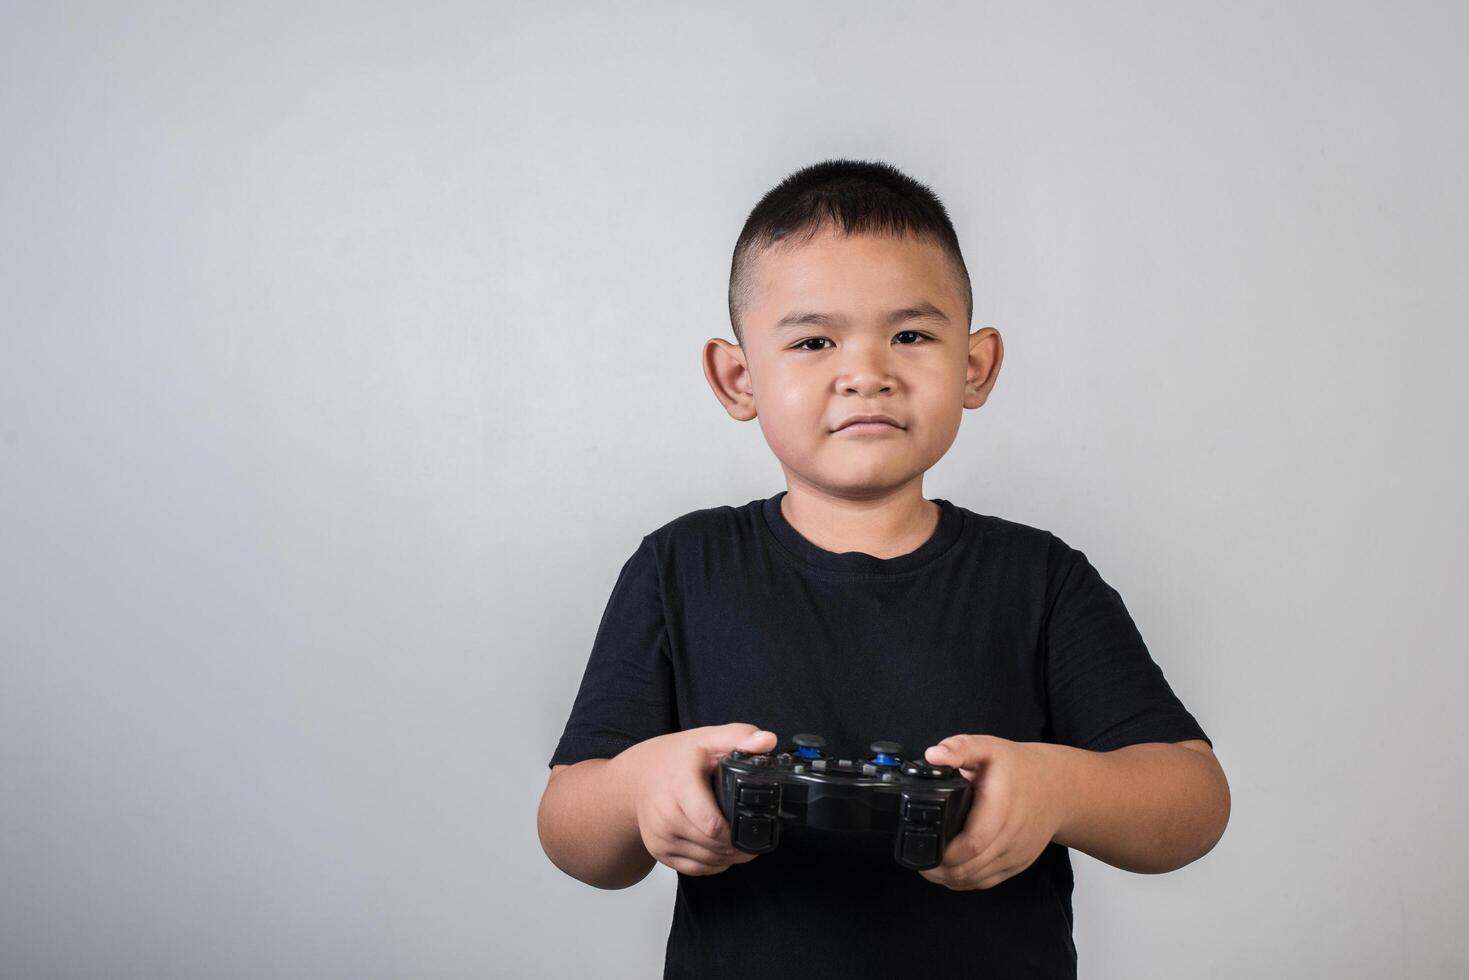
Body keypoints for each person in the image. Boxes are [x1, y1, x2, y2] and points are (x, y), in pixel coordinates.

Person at [536, 158, 1230, 979]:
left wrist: (1056, 788)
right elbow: (571, 831)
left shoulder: (1040, 579)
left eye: (909, 335)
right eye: (812, 340)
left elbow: (1192, 802)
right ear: (736, 377)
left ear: (974, 366)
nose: (866, 372)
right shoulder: (678, 568)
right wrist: (638, 790)